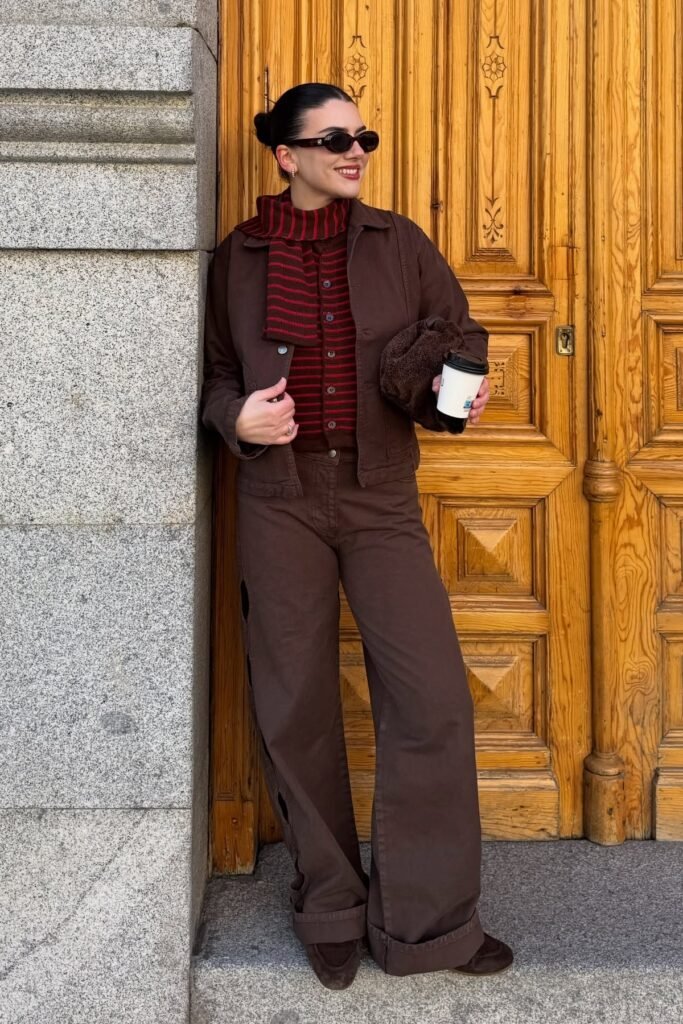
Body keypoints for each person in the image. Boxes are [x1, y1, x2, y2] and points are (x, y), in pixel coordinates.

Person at [201, 82, 513, 990]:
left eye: (362, 135)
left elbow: (457, 341)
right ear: (284, 156)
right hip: (277, 498)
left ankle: (430, 925)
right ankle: (330, 906)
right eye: (333, 137)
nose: (355, 150)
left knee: (431, 701)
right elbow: (214, 375)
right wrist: (235, 418)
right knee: (293, 702)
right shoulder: (237, 258)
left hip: (379, 498)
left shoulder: (398, 243)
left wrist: (460, 397)